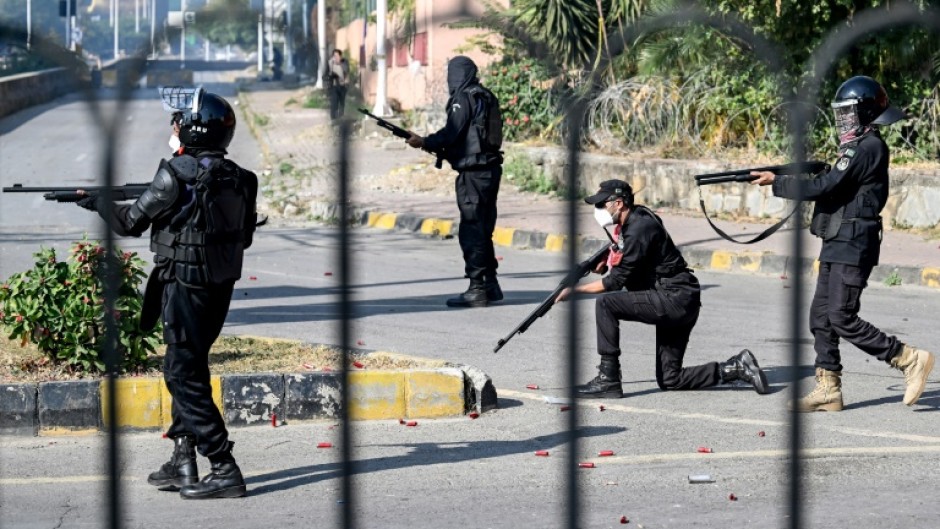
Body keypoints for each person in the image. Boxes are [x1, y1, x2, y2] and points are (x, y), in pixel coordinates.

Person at [76, 87, 259, 498]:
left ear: (192, 129)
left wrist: (99, 204)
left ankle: (224, 466)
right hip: (219, 287)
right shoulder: (242, 179)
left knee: (182, 372)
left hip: (184, 286)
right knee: (189, 366)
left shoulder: (175, 174)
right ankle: (183, 461)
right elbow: (242, 238)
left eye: (177, 122)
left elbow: (130, 223)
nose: (172, 128)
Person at [750, 75, 934, 411]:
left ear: (865, 113)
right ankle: (829, 388)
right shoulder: (855, 146)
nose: (843, 120)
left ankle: (908, 359)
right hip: (838, 238)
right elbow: (831, 183)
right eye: (841, 114)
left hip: (855, 243)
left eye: (849, 113)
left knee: (841, 316)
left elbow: (826, 185)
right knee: (820, 316)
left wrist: (779, 183)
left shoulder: (868, 147)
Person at [554, 180, 770, 399]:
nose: (598, 210)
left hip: (673, 298)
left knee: (606, 304)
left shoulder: (638, 228)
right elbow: (630, 266)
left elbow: (615, 282)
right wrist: (603, 267)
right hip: (681, 298)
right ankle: (736, 368)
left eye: (602, 204)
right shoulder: (637, 219)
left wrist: (575, 291)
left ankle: (608, 379)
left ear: (618, 203)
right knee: (670, 379)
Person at [406, 56, 504, 307]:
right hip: (490, 170)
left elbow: (452, 132)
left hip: (473, 175)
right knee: (483, 228)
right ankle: (490, 284)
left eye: (453, 73)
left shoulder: (464, 98)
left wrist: (425, 142)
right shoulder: (485, 95)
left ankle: (477, 288)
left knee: (472, 229)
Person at [326, 49, 349, 120]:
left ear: (340, 56)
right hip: (334, 86)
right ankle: (333, 118)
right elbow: (326, 74)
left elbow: (347, 72)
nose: (336, 58)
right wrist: (331, 75)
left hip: (343, 86)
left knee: (342, 103)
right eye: (334, 56)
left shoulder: (344, 62)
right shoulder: (330, 63)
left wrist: (346, 82)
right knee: (334, 102)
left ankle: (341, 118)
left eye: (337, 56)